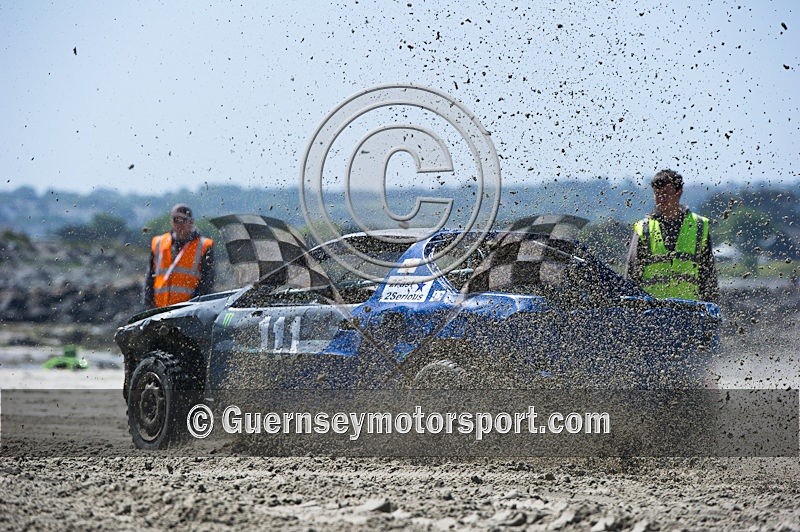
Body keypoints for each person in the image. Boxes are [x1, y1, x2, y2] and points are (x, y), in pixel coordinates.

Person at [626, 169, 719, 303]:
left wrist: (711, 311)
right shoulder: (644, 228)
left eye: (666, 193)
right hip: (652, 312)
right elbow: (632, 276)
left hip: (690, 311)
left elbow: (708, 276)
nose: (661, 199)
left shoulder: (699, 226)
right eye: (657, 194)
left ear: (679, 192)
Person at [144, 204, 215, 308]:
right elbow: (150, 277)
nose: (179, 224)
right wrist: (149, 304)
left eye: (183, 220)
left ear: (191, 222)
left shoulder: (204, 246)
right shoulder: (159, 242)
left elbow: (207, 282)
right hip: (159, 309)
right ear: (171, 221)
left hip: (187, 310)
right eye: (175, 220)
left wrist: (195, 306)